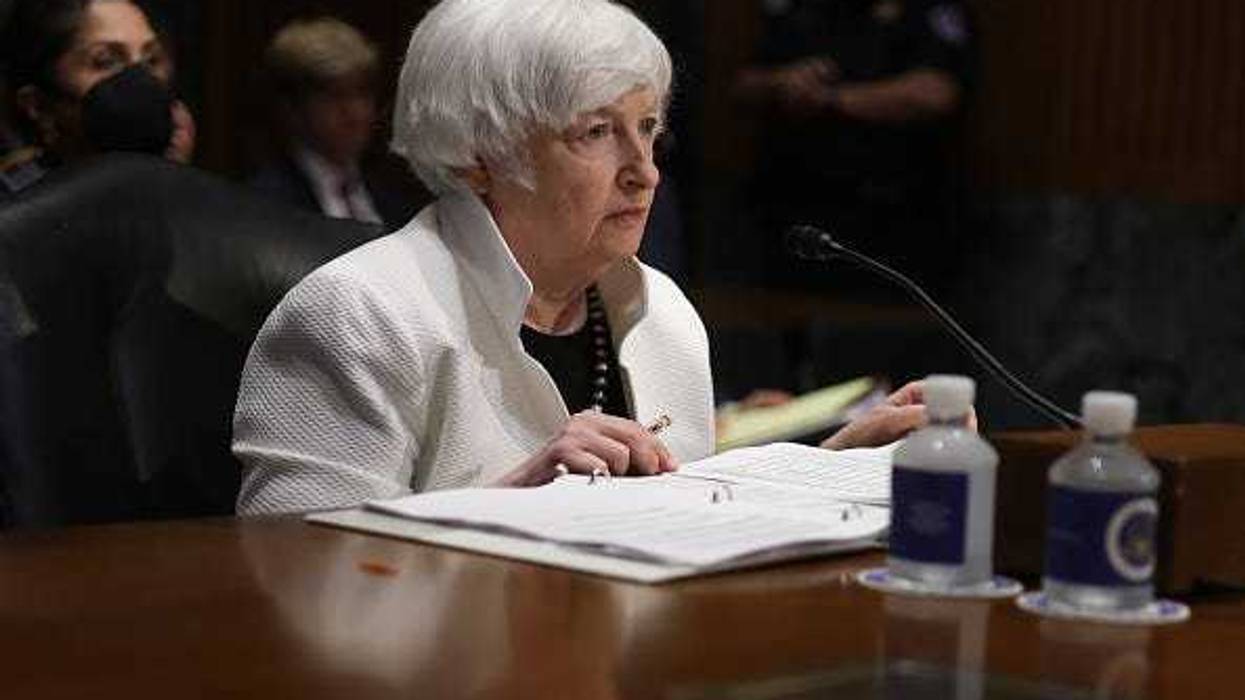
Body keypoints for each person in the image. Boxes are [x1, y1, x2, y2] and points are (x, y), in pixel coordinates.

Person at [233, 0, 931, 516]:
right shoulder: (355, 315)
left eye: (648, 129)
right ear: (481, 157)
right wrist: (514, 504)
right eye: (597, 132)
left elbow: (681, 528)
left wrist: (831, 465)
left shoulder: (661, 312)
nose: (644, 171)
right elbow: (295, 580)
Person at [733, 0, 975, 295]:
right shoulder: (800, 10)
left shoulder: (930, 11)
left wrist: (832, 100)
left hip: (894, 219)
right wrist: (782, 81)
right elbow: (743, 85)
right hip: (797, 210)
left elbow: (936, 93)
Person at [249, 17, 427, 230]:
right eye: (335, 96)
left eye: (362, 93)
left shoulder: (395, 200)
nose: (356, 113)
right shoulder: (267, 205)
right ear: (292, 108)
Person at [0, 0, 195, 195]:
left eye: (151, 60)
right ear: (38, 105)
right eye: (106, 61)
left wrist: (170, 183)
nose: (141, 80)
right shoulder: (13, 210)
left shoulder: (198, 202)